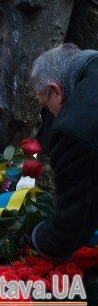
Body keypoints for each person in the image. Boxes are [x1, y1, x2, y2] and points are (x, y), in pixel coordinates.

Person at [30, 43, 98, 262]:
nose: (52, 115)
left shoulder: (73, 127)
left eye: (46, 104)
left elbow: (70, 227)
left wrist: (40, 238)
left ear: (56, 91)